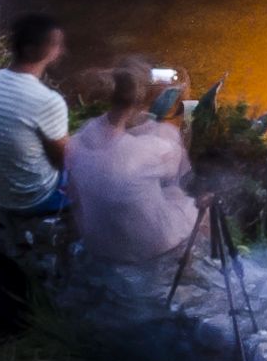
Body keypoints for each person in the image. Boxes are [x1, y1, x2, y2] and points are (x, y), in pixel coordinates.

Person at [62, 67, 199, 287]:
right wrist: (163, 126)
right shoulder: (147, 150)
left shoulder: (78, 140)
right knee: (197, 207)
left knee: (164, 192)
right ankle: (191, 276)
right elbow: (178, 171)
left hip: (95, 242)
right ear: (139, 104)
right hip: (140, 247)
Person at [0, 14, 74, 238]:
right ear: (31, 49)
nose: (61, 51)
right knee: (101, 176)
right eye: (55, 45)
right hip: (32, 198)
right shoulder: (47, 101)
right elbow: (66, 160)